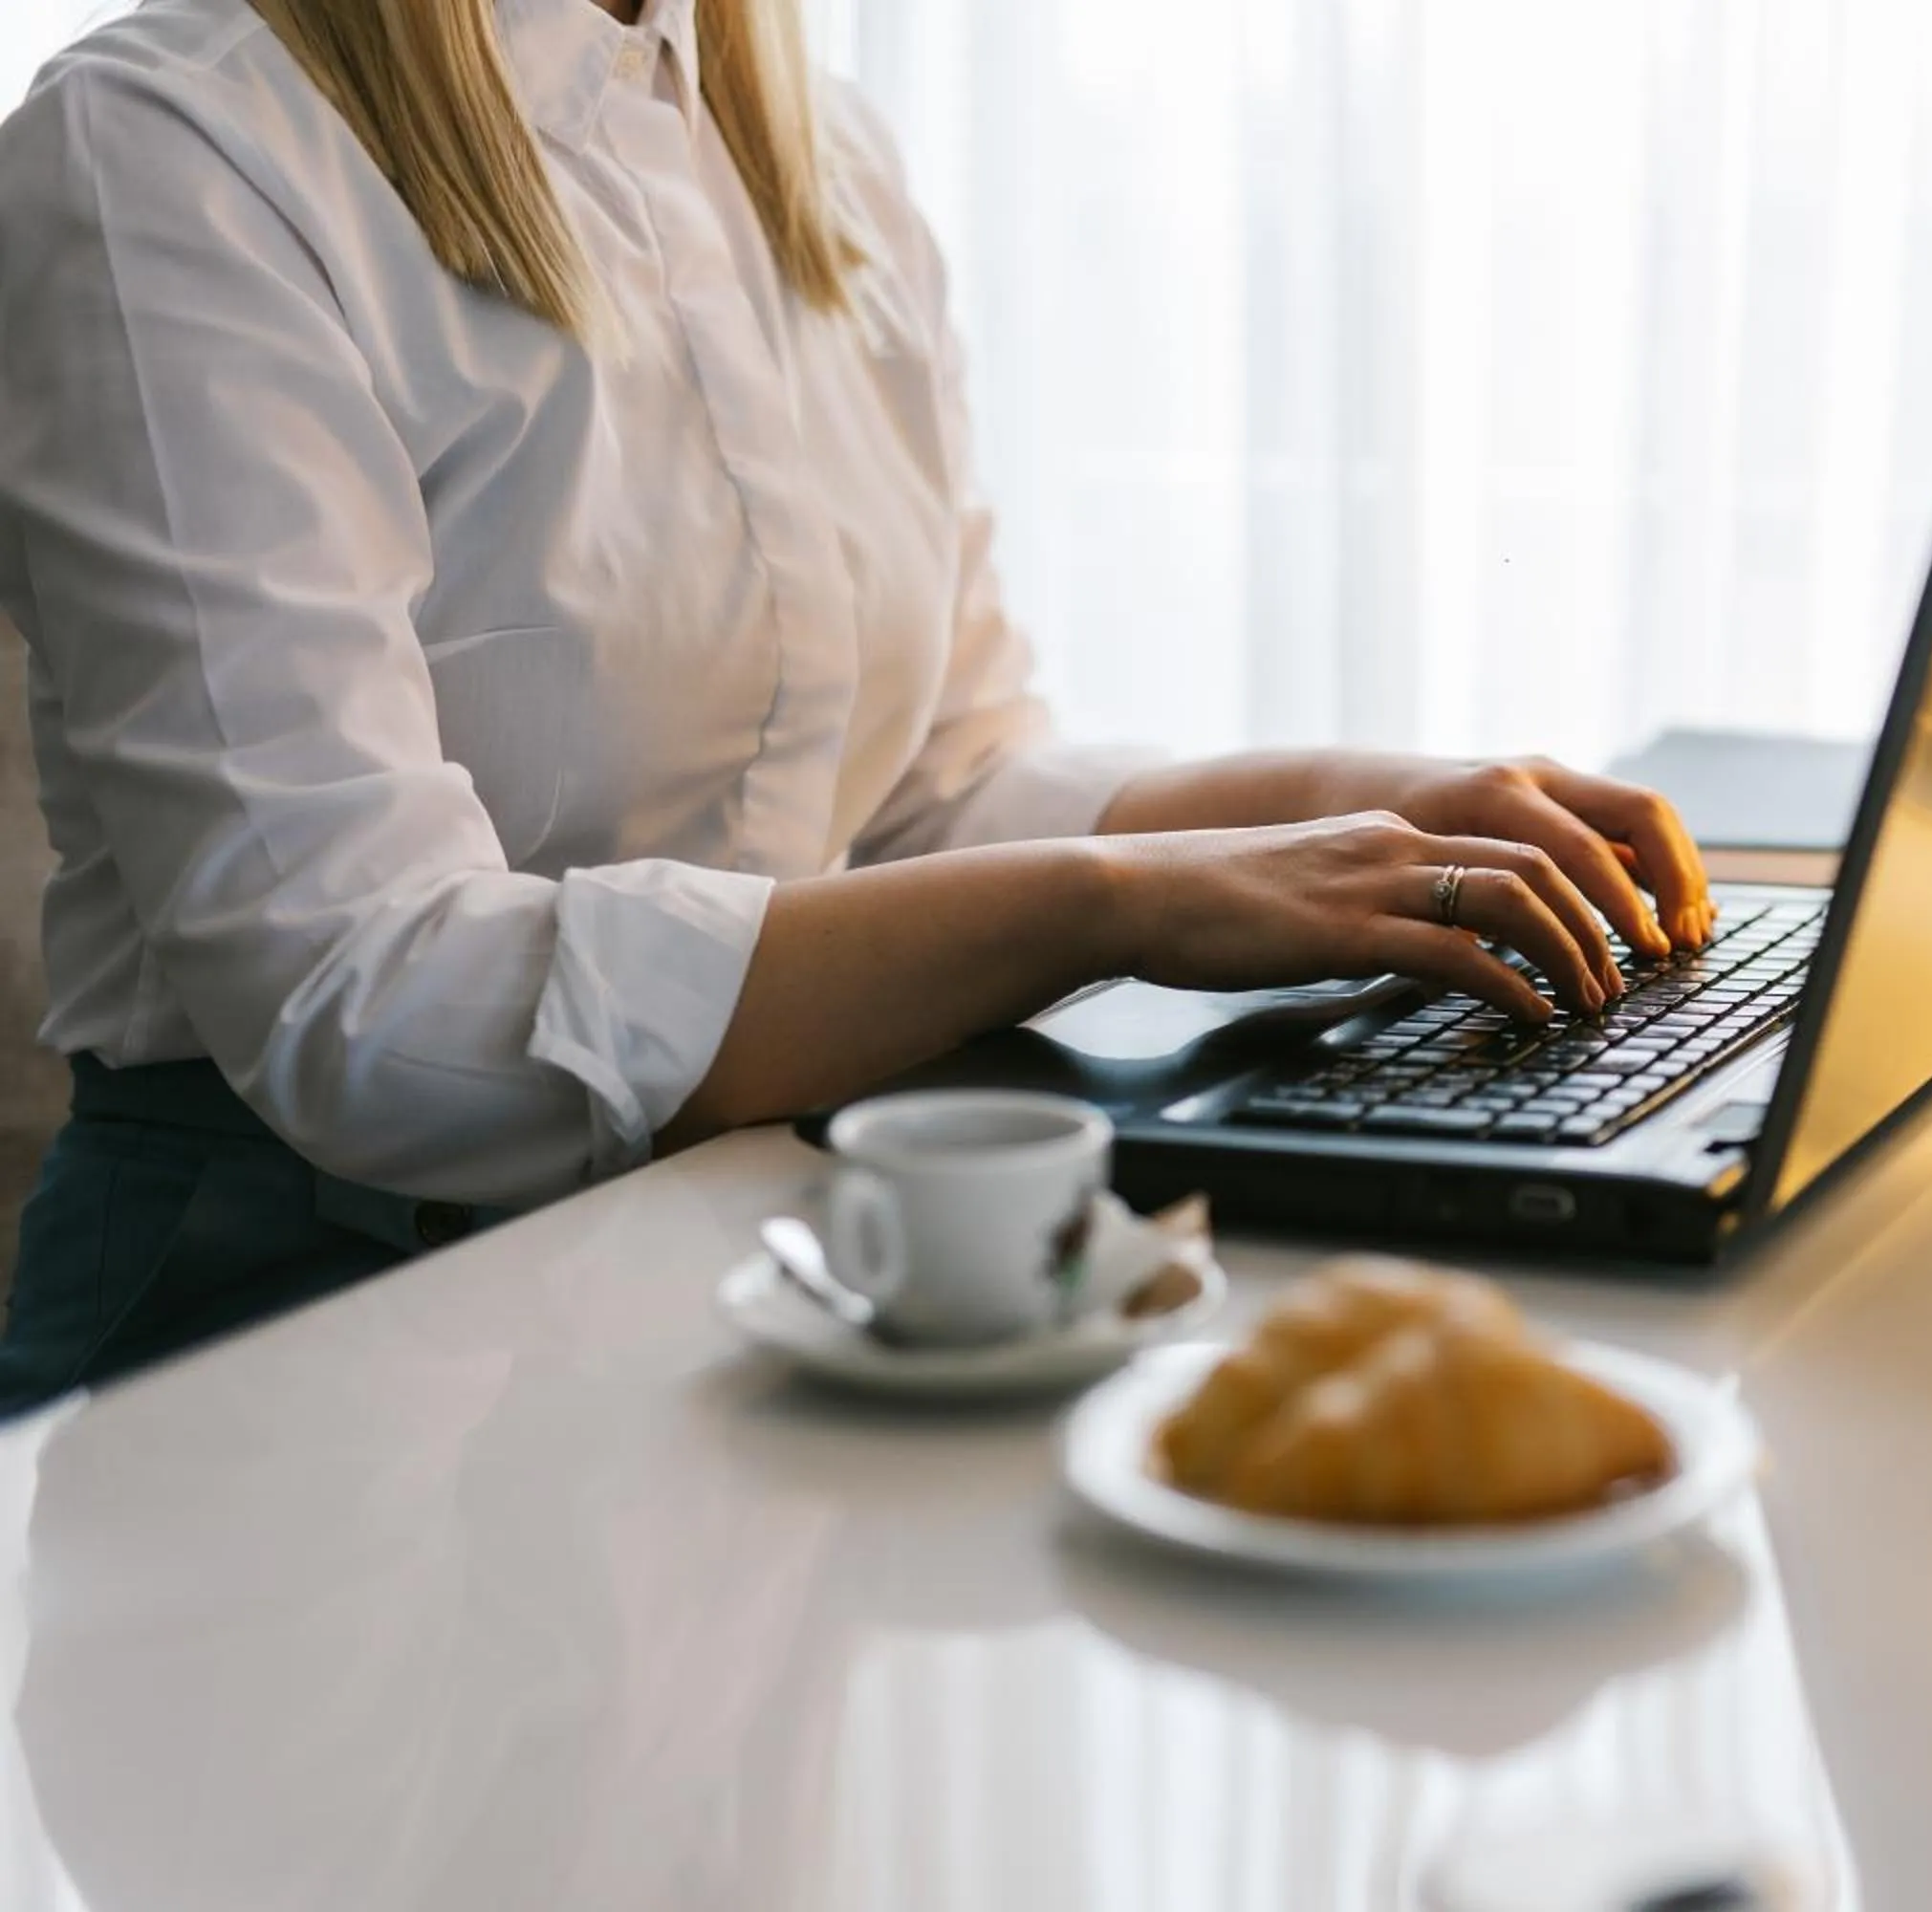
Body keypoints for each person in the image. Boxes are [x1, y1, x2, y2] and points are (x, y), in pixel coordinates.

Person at [0, 0, 1709, 1411]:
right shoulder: (170, 149)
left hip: (741, 1246)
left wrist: (1362, 814)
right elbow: (367, 1011)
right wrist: (1118, 902)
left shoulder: (817, 156)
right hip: (288, 1323)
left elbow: (934, 786)